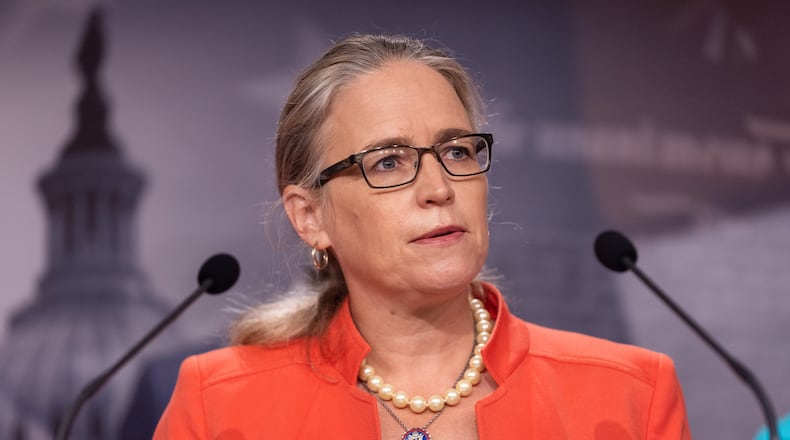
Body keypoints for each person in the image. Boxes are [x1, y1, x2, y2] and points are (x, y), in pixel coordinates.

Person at [154, 33, 691, 439]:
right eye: (387, 162)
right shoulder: (219, 405)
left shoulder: (630, 397)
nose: (439, 187)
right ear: (309, 216)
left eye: (457, 151)